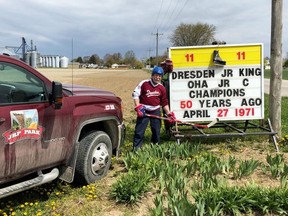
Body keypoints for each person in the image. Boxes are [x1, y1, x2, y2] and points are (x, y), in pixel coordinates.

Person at [132, 65, 175, 150]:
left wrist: (169, 113)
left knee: (156, 131)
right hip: (144, 111)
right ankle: (136, 149)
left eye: (159, 76)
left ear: (161, 77)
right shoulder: (144, 83)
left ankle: (155, 148)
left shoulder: (161, 88)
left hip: (155, 111)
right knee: (139, 131)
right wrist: (138, 106)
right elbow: (135, 94)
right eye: (156, 75)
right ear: (152, 75)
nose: (157, 77)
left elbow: (164, 103)